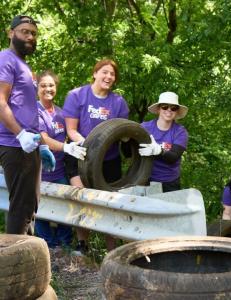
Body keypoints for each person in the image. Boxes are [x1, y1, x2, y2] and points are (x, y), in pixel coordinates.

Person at [63, 58, 129, 254]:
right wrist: (87, 144)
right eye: (104, 72)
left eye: (112, 74)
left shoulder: (118, 102)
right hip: (79, 154)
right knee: (83, 199)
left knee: (110, 204)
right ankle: (83, 245)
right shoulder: (76, 95)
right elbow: (71, 130)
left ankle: (112, 251)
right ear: (95, 73)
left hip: (108, 160)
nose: (108, 77)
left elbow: (123, 132)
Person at [0, 15, 55, 235]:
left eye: (33, 33)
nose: (30, 36)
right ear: (11, 33)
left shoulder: (23, 65)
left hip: (28, 145)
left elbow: (27, 110)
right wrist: (21, 134)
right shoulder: (6, 59)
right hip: (15, 144)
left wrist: (40, 144)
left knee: (28, 207)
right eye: (24, 31)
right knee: (22, 209)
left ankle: (25, 260)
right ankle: (12, 265)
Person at [34, 70, 86, 248]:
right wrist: (66, 147)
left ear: (56, 87)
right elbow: (43, 138)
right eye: (43, 85)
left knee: (65, 208)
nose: (48, 88)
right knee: (41, 211)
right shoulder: (34, 111)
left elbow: (71, 133)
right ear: (37, 88)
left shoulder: (61, 113)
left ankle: (64, 245)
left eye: (51, 85)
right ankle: (48, 245)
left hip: (60, 171)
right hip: (39, 172)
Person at [139, 91, 188, 192]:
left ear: (177, 111)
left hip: (170, 182)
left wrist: (159, 151)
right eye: (165, 107)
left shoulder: (180, 132)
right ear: (158, 109)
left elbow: (173, 157)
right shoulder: (145, 127)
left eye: (173, 108)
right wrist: (125, 140)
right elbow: (130, 152)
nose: (169, 110)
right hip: (145, 178)